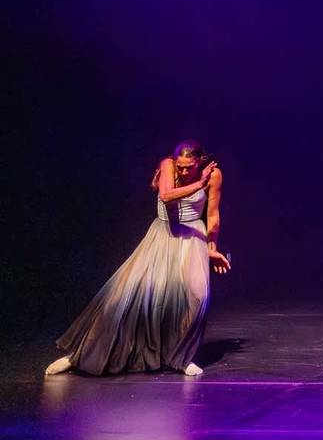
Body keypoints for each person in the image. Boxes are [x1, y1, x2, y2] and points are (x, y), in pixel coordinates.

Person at [46, 140, 232, 376]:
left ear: (200, 162)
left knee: (197, 295)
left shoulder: (213, 175)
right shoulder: (168, 165)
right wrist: (199, 182)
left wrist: (212, 247)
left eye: (190, 167)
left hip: (192, 236)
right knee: (122, 296)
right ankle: (79, 356)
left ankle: (181, 358)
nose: (184, 171)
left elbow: (213, 215)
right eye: (181, 166)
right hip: (162, 234)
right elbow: (166, 196)